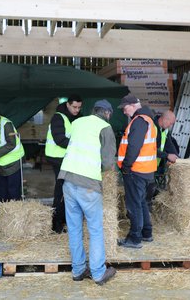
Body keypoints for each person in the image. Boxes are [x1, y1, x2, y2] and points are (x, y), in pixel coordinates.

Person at [58, 99, 117, 285]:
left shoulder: (77, 122)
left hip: (67, 179)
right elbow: (108, 163)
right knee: (95, 229)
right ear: (107, 113)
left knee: (74, 228)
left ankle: (77, 270)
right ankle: (99, 273)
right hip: (88, 184)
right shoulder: (105, 127)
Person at [117, 94, 157, 249]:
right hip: (146, 171)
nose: (124, 112)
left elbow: (134, 146)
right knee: (141, 203)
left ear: (133, 105)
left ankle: (135, 238)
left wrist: (126, 167)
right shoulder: (148, 120)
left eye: (125, 108)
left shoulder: (139, 121)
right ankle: (146, 233)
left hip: (136, 170)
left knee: (134, 205)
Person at [45, 94, 83, 233]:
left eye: (79, 107)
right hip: (58, 158)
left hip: (67, 159)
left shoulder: (76, 117)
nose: (77, 110)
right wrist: (79, 146)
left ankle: (65, 220)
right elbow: (59, 140)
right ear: (68, 104)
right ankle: (56, 224)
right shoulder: (58, 117)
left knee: (69, 190)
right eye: (74, 107)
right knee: (61, 190)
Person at [146, 110, 178, 208]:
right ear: (164, 119)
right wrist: (167, 156)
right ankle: (146, 213)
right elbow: (149, 149)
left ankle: (148, 211)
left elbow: (170, 145)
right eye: (170, 123)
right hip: (145, 165)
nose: (170, 126)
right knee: (148, 190)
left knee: (151, 189)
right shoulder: (152, 128)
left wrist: (175, 157)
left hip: (154, 165)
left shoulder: (164, 130)